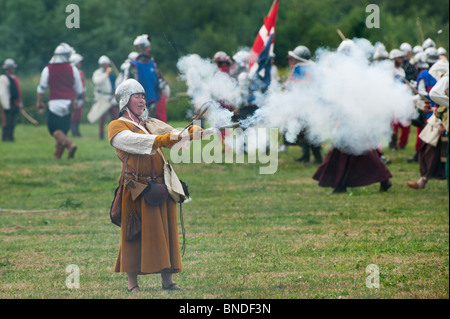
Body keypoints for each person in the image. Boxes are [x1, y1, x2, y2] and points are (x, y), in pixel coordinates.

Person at [108, 79, 200, 292]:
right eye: (136, 96)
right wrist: (165, 138)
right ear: (125, 100)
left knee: (166, 232)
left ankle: (167, 282)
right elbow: (137, 142)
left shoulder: (149, 123)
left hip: (161, 184)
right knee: (133, 234)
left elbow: (173, 136)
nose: (141, 100)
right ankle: (133, 285)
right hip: (137, 188)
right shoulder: (117, 125)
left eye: (142, 96)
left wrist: (194, 133)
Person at [36, 43, 83, 159]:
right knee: (62, 131)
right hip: (69, 103)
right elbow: (79, 89)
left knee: (53, 129)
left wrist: (39, 101)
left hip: (55, 103)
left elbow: (42, 87)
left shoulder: (48, 69)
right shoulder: (73, 69)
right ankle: (58, 156)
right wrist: (75, 100)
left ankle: (70, 145)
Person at [283, 45, 323, 164]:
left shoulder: (302, 69)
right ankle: (306, 156)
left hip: (307, 106)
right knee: (305, 132)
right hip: (307, 106)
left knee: (309, 132)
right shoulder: (311, 68)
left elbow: (294, 86)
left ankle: (317, 158)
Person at [129, 34, 170, 123]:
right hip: (140, 102)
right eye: (148, 47)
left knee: (155, 127)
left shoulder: (152, 62)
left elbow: (157, 79)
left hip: (154, 100)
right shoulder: (134, 65)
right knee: (142, 127)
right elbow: (129, 85)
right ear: (142, 48)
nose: (149, 49)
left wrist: (163, 87)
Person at [91, 55, 118, 140]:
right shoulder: (98, 73)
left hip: (111, 96)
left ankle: (116, 133)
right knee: (103, 117)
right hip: (102, 97)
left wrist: (115, 92)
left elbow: (114, 84)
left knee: (115, 116)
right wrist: (106, 74)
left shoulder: (111, 73)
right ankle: (101, 134)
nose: (105, 66)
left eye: (106, 64)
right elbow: (97, 82)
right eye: (103, 64)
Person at [389, 49, 410, 151]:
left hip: (402, 98)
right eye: (399, 58)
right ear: (394, 59)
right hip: (392, 99)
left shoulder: (402, 71)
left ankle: (402, 144)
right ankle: (393, 144)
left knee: (405, 122)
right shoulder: (390, 70)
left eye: (402, 58)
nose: (402, 60)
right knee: (394, 124)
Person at [0, 58, 22, 142]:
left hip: (14, 103)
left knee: (12, 122)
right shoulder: (3, 78)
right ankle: (6, 138)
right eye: (11, 67)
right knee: (7, 122)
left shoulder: (13, 78)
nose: (13, 69)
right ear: (8, 68)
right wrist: (6, 105)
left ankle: (10, 137)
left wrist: (19, 103)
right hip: (7, 104)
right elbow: (2, 93)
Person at [69, 53, 86, 137]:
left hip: (80, 97)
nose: (80, 64)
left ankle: (77, 131)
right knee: (73, 115)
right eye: (79, 62)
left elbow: (83, 86)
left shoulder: (80, 72)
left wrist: (84, 96)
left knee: (78, 115)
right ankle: (74, 131)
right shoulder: (71, 72)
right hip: (74, 97)